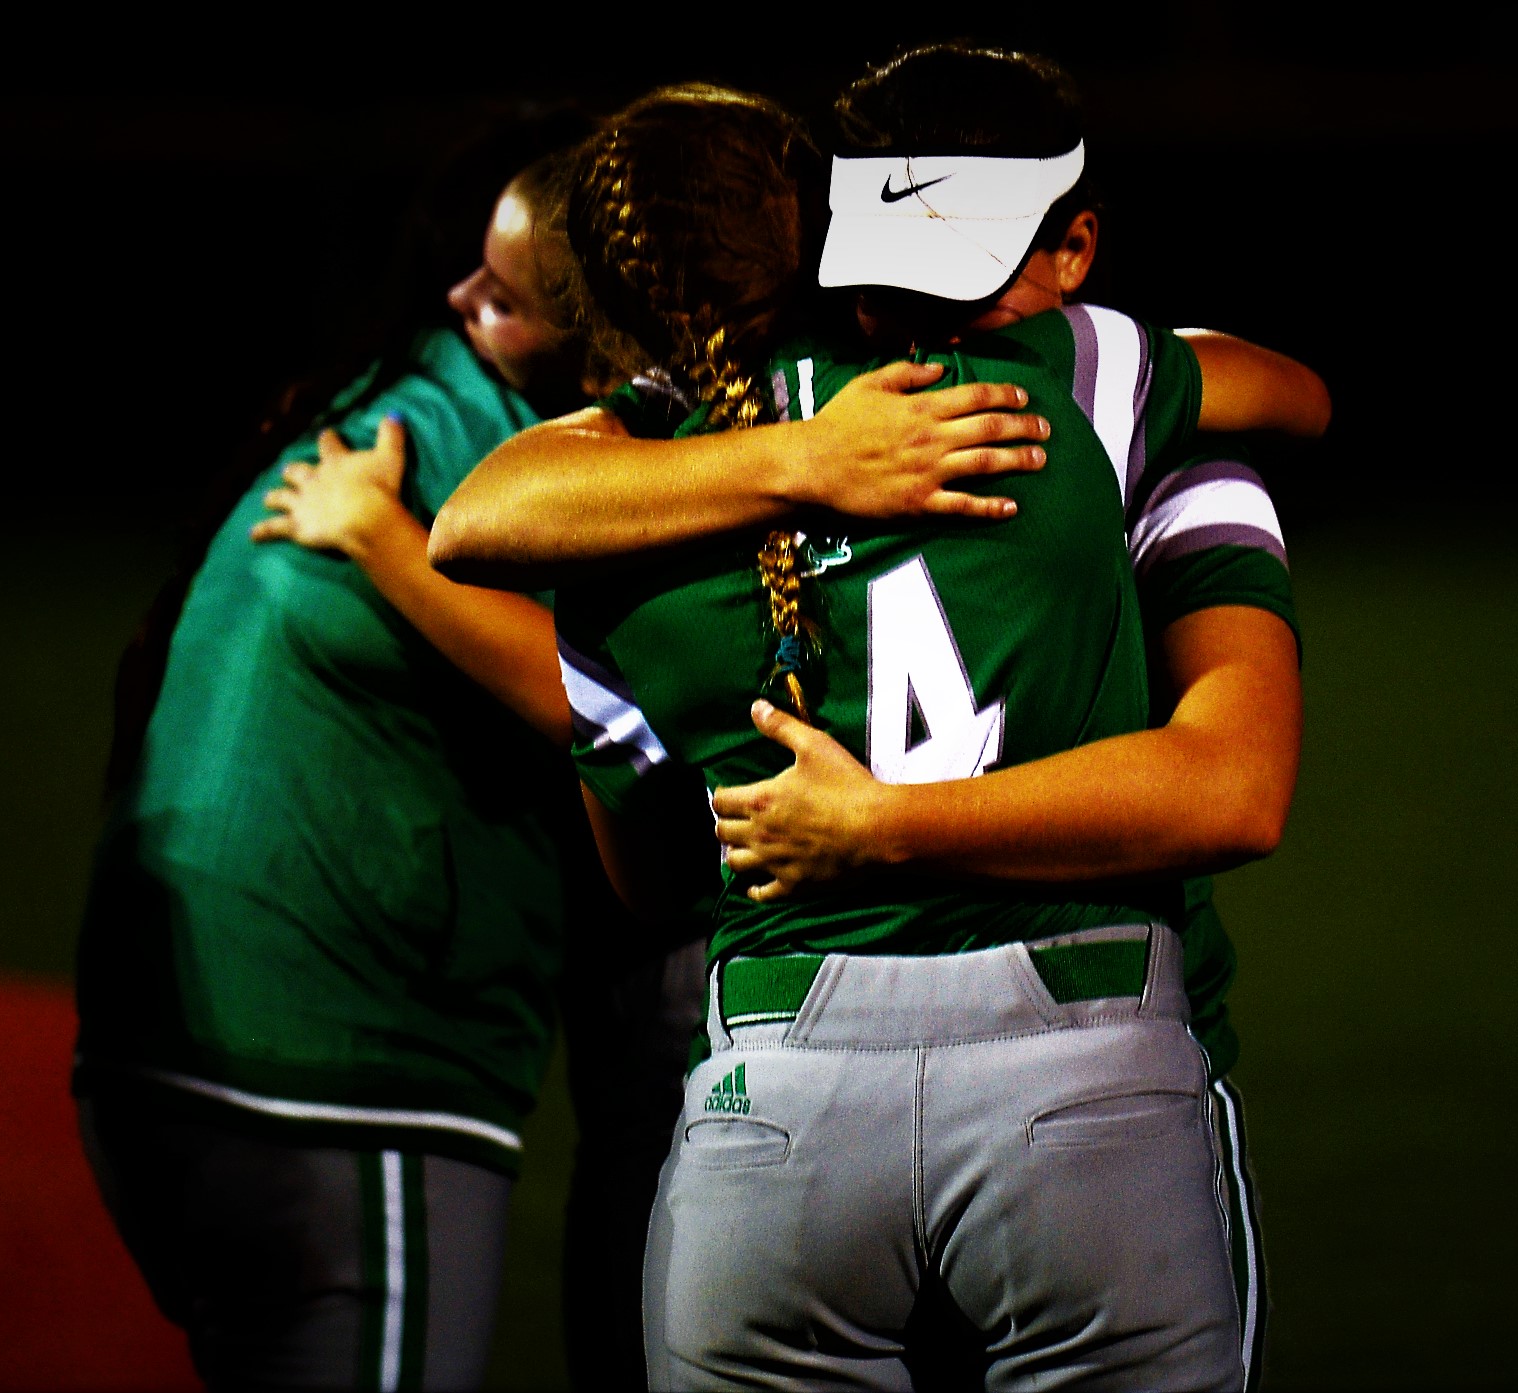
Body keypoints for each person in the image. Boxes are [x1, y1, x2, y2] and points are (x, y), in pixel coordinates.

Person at [430, 57, 1312, 1390]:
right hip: (1092, 1077)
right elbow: (1288, 400)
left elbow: (650, 874)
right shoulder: (1078, 387)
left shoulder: (615, 528)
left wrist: (861, 821)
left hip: (775, 1106)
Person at [72, 122, 621, 1391]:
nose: (467, 297)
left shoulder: (388, 393)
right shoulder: (506, 449)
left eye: (509, 292)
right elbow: (619, 714)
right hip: (332, 1079)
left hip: (160, 1054)